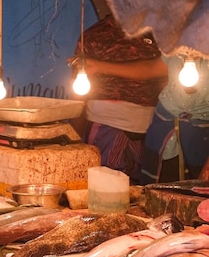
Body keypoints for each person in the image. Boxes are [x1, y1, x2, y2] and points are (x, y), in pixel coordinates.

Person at [69, 14, 168, 184]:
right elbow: (77, 95)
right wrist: (73, 140)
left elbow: (156, 70)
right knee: (105, 190)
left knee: (143, 194)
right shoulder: (94, 36)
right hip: (106, 128)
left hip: (152, 132)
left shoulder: (160, 35)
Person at [140, 55, 209, 184]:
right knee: (156, 189)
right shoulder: (176, 46)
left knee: (194, 194)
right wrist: (98, 67)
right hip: (163, 130)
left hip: (200, 139)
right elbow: (150, 68)